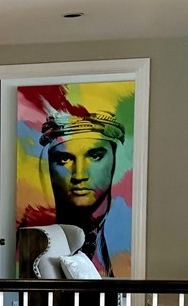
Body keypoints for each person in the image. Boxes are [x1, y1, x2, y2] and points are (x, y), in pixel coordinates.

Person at [38, 110, 126, 276]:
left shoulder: (126, 244)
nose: (79, 175)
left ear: (114, 160)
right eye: (64, 159)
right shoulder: (35, 242)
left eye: (95, 156)